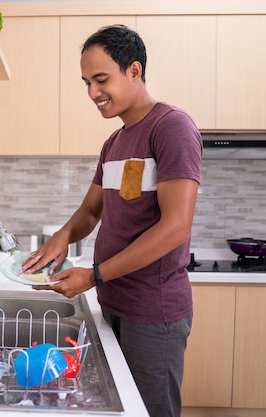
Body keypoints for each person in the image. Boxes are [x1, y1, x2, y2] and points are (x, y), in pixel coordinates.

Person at [21, 24, 202, 417]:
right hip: (114, 302)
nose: (92, 93)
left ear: (134, 71)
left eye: (101, 80)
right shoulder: (115, 142)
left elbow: (175, 227)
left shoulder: (171, 127)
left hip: (153, 314)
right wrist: (63, 236)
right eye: (86, 82)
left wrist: (95, 274)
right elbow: (90, 211)